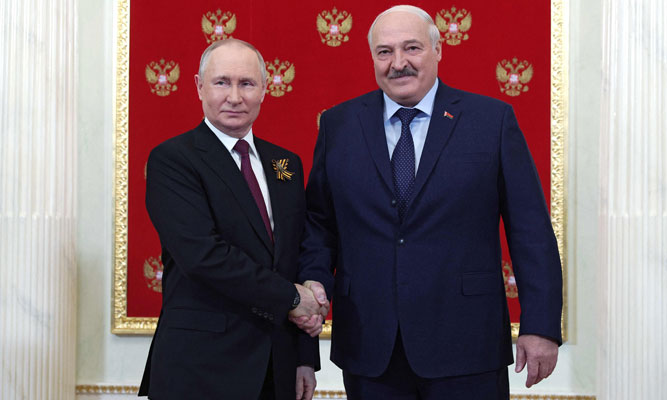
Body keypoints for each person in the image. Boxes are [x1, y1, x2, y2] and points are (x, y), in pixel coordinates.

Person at [296, 5, 563, 399]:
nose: (398, 63)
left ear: (438, 50)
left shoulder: (492, 121)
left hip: (467, 343)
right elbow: (319, 222)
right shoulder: (339, 125)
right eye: (384, 52)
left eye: (412, 48)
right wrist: (315, 281)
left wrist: (539, 325)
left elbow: (531, 231)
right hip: (371, 346)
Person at [138, 38, 327, 400]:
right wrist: (291, 298)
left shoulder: (284, 164)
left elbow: (295, 256)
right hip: (201, 367)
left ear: (265, 90)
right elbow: (203, 256)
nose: (235, 97)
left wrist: (305, 358)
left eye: (247, 83)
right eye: (222, 82)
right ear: (198, 86)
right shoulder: (173, 159)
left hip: (278, 366)